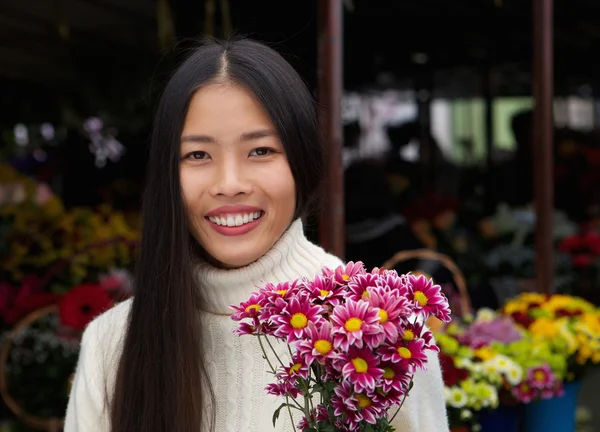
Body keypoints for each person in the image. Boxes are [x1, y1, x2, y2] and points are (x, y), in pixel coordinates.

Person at [64, 37, 449, 432]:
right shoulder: (112, 345)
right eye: (197, 155)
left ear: (302, 161)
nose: (229, 184)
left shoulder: (384, 334)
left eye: (261, 151)